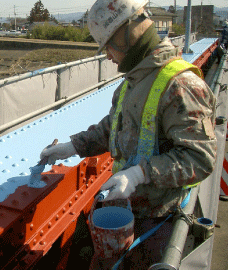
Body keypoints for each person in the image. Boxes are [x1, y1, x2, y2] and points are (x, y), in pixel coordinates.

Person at [40, 0, 217, 268]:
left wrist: (139, 174)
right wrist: (72, 146)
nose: (108, 56)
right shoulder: (132, 83)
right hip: (129, 211)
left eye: (108, 45)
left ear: (127, 32)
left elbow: (200, 159)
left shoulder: (180, 85)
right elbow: (112, 126)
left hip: (158, 223)